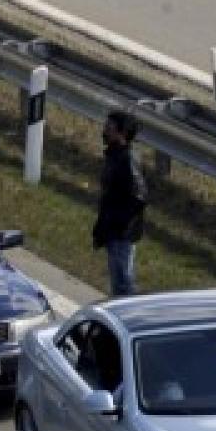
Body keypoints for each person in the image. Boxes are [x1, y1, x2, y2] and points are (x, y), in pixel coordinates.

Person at [92, 109, 148, 297]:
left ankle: (130, 319)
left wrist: (118, 222)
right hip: (114, 230)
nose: (104, 131)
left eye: (109, 128)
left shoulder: (127, 159)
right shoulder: (115, 156)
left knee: (123, 282)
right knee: (119, 280)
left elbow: (138, 196)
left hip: (122, 233)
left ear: (121, 133)